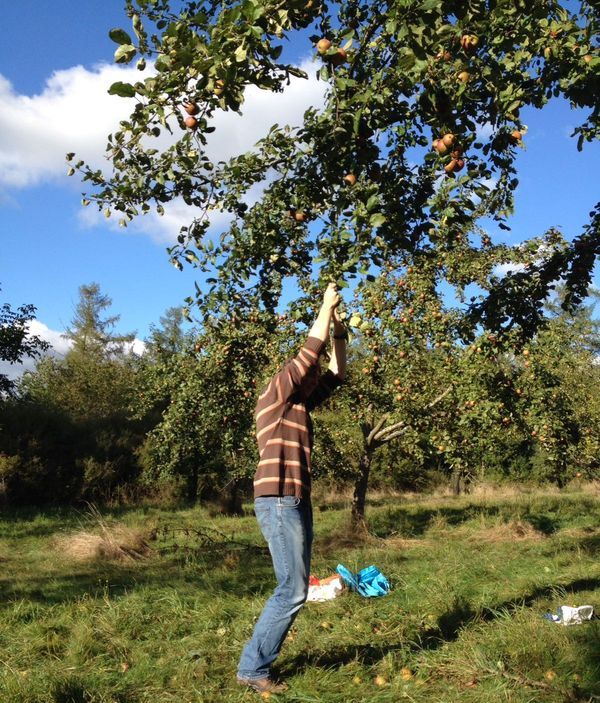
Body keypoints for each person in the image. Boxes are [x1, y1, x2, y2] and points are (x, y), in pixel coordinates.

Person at [237, 282, 347, 694]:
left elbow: (338, 372)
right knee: (292, 588)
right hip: (279, 499)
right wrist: (324, 307)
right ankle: (253, 669)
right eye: (307, 371)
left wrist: (337, 329)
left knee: (294, 587)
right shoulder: (277, 392)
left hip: (294, 499)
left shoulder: (299, 405)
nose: (312, 374)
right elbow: (308, 353)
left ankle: (256, 666)